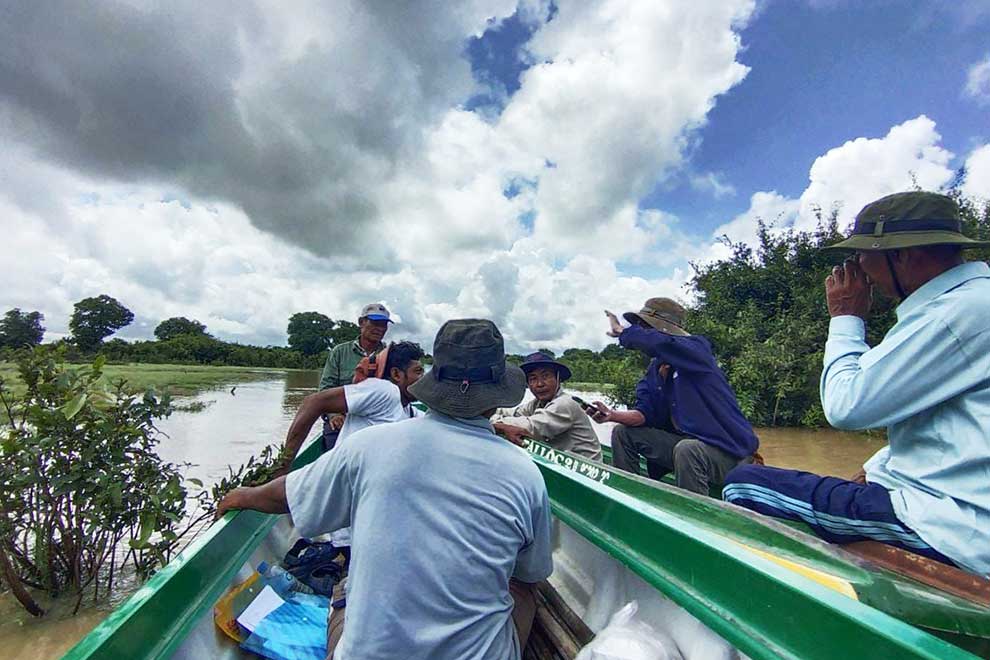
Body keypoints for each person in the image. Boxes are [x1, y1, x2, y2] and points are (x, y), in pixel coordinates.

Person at [217, 319, 554, 659]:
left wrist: (244, 495)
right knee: (525, 588)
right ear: (496, 396)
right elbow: (531, 573)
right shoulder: (524, 473)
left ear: (434, 381)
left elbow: (288, 496)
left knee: (345, 591)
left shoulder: (369, 446)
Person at [723, 191, 990, 576]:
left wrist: (846, 317)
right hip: (961, 509)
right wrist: (877, 465)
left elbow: (845, 406)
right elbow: (947, 428)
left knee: (743, 485)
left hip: (953, 526)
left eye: (864, 255)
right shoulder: (970, 303)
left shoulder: (953, 315)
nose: (860, 268)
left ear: (902, 256)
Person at [588, 298, 759, 495]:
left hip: (730, 455)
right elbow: (644, 413)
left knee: (688, 449)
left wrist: (624, 332)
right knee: (622, 433)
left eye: (645, 326)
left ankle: (695, 516)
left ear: (664, 328)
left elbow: (661, 343)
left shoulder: (697, 351)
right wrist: (610, 415)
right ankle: (628, 496)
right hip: (686, 451)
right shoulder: (655, 369)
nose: (641, 331)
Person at [492, 352, 602, 460]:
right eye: (533, 379)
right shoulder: (537, 403)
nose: (539, 384)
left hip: (587, 471)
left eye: (546, 376)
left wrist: (493, 424)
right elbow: (513, 413)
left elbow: (530, 427)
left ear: (558, 379)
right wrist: (485, 410)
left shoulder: (565, 404)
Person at [318, 303, 392, 447]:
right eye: (375, 323)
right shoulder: (339, 352)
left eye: (384, 325)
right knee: (335, 460)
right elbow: (325, 389)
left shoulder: (390, 355)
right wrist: (334, 415)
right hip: (342, 420)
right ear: (361, 322)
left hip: (377, 422)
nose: (380, 328)